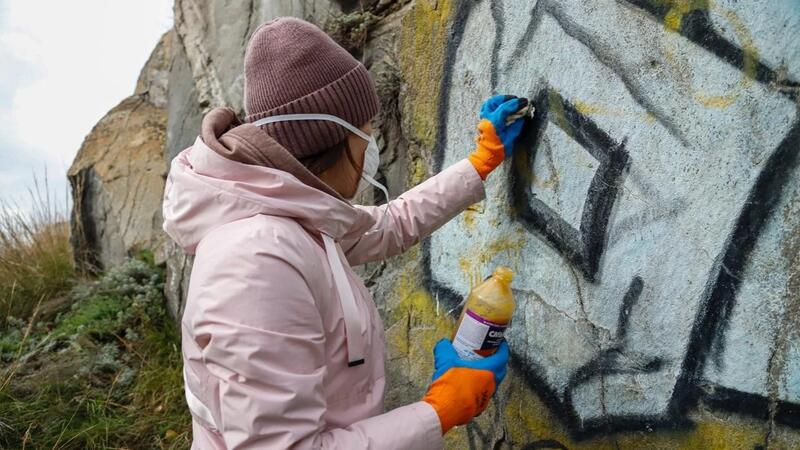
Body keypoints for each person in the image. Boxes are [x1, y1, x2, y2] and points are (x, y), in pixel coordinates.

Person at [162, 17, 527, 450]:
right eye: (366, 132)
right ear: (333, 137)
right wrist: (438, 412)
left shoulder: (292, 218)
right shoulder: (255, 263)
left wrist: (479, 164)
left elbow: (389, 225)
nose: (369, 148)